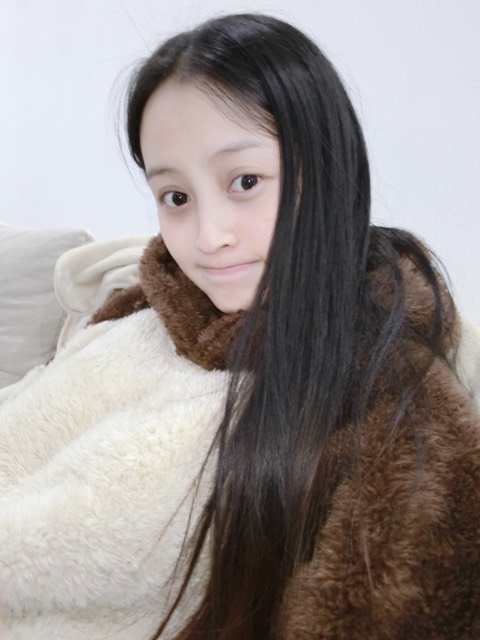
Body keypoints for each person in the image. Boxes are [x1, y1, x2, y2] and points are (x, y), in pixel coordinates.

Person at [1, 11, 480, 640]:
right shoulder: (136, 311)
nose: (208, 237)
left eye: (245, 181)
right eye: (176, 197)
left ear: (326, 172)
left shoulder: (392, 401)